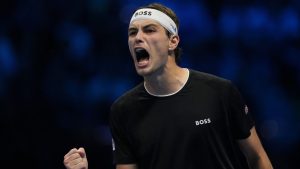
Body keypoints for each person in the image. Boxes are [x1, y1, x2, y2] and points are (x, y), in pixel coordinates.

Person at [63, 3, 273, 169]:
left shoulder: (220, 92)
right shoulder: (123, 110)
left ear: (173, 41)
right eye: (132, 32)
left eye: (149, 30)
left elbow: (257, 158)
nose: (138, 38)